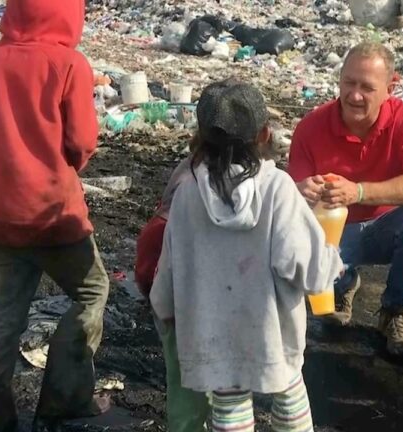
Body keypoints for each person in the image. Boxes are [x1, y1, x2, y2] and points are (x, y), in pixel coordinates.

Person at [149, 78, 343, 431]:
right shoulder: (277, 188)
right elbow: (305, 265)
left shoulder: (188, 191)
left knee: (229, 405)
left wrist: (163, 307)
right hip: (272, 333)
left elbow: (170, 264)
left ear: (201, 135)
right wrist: (328, 262)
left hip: (213, 333)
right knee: (289, 395)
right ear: (264, 134)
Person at [0, 0, 111, 430]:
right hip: (55, 214)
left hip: (2, 216)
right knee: (92, 291)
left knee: (8, 315)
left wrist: (12, 145)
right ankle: (65, 397)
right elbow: (82, 142)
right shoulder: (69, 63)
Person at [287, 41, 403, 357]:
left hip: (387, 225)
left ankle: (396, 313)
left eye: (367, 87)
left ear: (390, 87)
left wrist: (359, 191)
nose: (355, 95)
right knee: (303, 249)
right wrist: (301, 189)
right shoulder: (311, 126)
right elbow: (292, 193)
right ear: (339, 79)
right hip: (334, 236)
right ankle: (342, 284)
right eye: (349, 82)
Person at [135, 137, 210, 432]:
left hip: (156, 263)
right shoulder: (208, 183)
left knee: (182, 375)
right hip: (174, 268)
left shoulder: (189, 167)